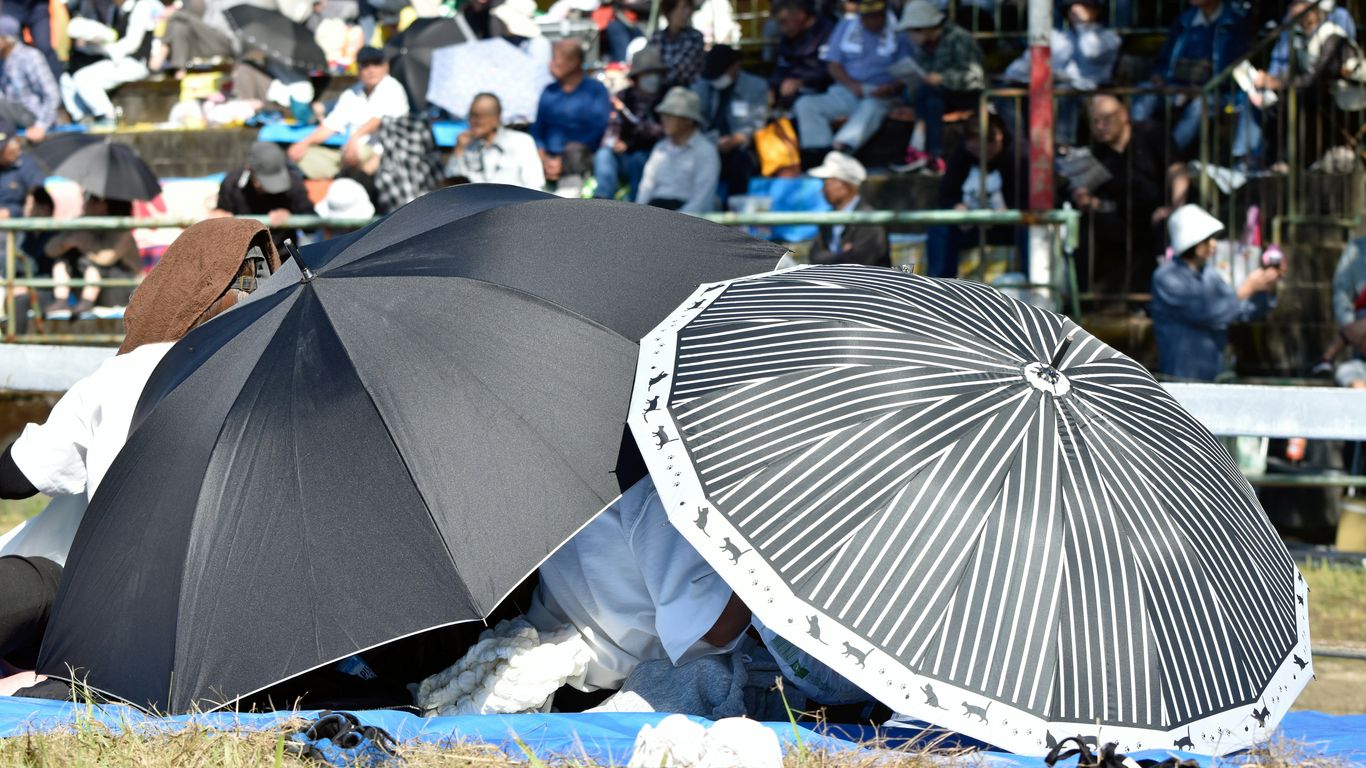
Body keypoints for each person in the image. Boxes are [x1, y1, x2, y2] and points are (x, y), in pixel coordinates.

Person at [0, 219, 280, 681]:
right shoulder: (295, 384)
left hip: (99, 622)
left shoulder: (132, 372)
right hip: (234, 638)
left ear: (171, 287)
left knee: (30, 583)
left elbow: (15, 478)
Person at [526, 475, 752, 695]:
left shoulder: (547, 465)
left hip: (546, 654)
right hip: (636, 688)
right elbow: (717, 627)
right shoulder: (663, 483)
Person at [1150, 204, 1281, 381]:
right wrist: (1246, 289)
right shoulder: (1166, 278)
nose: (1214, 244)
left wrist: (1264, 289)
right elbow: (1208, 312)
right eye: (1208, 239)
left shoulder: (1209, 274)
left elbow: (1240, 312)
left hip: (1212, 373)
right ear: (1193, 242)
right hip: (1181, 374)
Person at [1069, 95, 1176, 298]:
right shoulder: (1095, 152)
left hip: (1156, 215)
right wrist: (1084, 197)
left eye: (1106, 118)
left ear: (1124, 115)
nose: (1100, 126)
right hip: (1119, 219)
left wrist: (1174, 206)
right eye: (1094, 121)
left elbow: (1177, 171)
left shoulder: (1151, 134)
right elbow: (1089, 191)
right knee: (1083, 231)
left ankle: (1154, 300)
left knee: (1166, 228)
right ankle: (1083, 300)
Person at [793, 0, 911, 159]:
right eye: (868, 16)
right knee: (806, 104)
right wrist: (852, 85)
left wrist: (891, 88)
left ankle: (839, 152)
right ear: (861, 16)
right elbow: (833, 65)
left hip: (882, 95)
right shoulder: (846, 26)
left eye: (877, 16)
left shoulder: (899, 32)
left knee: (871, 106)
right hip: (846, 91)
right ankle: (818, 155)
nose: (873, 21)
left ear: (884, 14)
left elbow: (909, 72)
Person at [1130, 0, 1249, 153]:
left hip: (1213, 92)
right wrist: (1158, 76)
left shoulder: (1234, 23)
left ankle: (1169, 157)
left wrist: (1202, 89)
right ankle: (1134, 150)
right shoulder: (1184, 20)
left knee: (1199, 106)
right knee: (1145, 92)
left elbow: (1234, 69)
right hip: (1174, 87)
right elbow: (1163, 59)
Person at [1000, 0, 1119, 146]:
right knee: (1004, 94)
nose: (1077, 11)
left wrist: (1082, 25)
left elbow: (1090, 51)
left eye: (1085, 5)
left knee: (1064, 90)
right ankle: (1022, 145)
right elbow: (1015, 70)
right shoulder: (1056, 37)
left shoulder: (1109, 38)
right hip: (1052, 92)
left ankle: (1064, 146)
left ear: (1097, 10)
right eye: (1073, 7)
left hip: (1090, 95)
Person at [926, 110, 1024, 278]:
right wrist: (957, 207)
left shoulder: (1019, 155)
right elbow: (947, 194)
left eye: (985, 147)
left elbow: (1029, 200)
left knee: (1029, 230)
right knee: (939, 229)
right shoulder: (962, 154)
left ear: (998, 138)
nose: (981, 154)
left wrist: (1010, 213)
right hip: (971, 225)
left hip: (1009, 227)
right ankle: (940, 287)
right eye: (974, 148)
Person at [288, 46, 410, 180]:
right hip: (351, 153)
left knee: (357, 155)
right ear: (358, 69)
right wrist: (304, 143)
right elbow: (331, 125)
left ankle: (348, 181)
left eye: (376, 63)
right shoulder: (352, 93)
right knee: (301, 156)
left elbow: (377, 120)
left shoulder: (392, 87)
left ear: (386, 66)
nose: (371, 69)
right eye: (366, 65)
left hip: (389, 155)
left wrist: (355, 138)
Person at [896, 0, 984, 160]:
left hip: (967, 95)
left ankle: (923, 150)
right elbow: (923, 70)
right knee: (926, 97)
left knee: (929, 96)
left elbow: (974, 77)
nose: (910, 36)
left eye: (912, 31)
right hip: (935, 95)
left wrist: (942, 79)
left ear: (925, 29)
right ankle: (930, 153)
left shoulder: (959, 38)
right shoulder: (926, 45)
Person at [61, 0, 164, 126]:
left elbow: (132, 43)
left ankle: (108, 117)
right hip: (114, 60)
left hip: (135, 63)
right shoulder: (114, 9)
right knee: (67, 80)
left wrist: (106, 49)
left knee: (83, 78)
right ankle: (82, 119)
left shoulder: (141, 5)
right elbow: (109, 36)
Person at [529, 40, 611, 196]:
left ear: (574, 62)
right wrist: (543, 156)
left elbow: (598, 130)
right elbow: (538, 127)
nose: (551, 64)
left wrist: (562, 160)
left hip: (578, 159)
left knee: (575, 152)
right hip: (546, 158)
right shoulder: (549, 91)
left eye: (555, 59)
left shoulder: (595, 90)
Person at [211, 142, 316, 256]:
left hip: (282, 255)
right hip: (243, 254)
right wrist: (219, 220)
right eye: (263, 181)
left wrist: (290, 217)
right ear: (249, 169)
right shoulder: (232, 183)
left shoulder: (293, 182)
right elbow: (222, 211)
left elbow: (313, 223)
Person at [44, 195, 142, 316]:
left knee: (93, 265)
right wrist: (66, 243)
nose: (84, 205)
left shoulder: (121, 229)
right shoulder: (82, 222)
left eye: (88, 200)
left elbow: (105, 258)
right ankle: (61, 301)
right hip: (90, 284)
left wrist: (84, 242)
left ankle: (86, 303)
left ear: (102, 205)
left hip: (120, 287)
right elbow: (49, 250)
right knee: (63, 260)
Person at [692, 45, 768, 199]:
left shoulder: (756, 86)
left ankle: (734, 212)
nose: (716, 78)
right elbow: (695, 117)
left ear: (735, 67)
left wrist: (737, 139)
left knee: (741, 161)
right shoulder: (703, 84)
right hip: (706, 143)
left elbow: (757, 124)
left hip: (741, 147)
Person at [594, 46, 666, 201]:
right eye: (647, 73)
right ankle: (602, 200)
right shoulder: (623, 96)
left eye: (655, 73)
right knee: (603, 154)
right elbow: (612, 128)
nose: (652, 78)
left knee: (638, 159)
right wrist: (615, 143)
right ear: (637, 76)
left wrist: (630, 143)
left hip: (651, 158)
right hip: (623, 158)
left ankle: (636, 205)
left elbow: (661, 132)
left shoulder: (665, 99)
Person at [636, 86, 720, 213]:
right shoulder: (660, 148)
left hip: (685, 217)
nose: (663, 120)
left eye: (670, 116)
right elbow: (646, 188)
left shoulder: (706, 151)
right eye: (663, 116)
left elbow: (702, 199)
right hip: (655, 212)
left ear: (688, 120)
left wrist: (677, 223)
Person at [445, 93, 545, 190]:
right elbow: (451, 185)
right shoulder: (467, 145)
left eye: (479, 116)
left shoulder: (521, 142)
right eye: (471, 115)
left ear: (496, 117)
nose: (473, 121)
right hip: (476, 204)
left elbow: (535, 184)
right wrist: (458, 151)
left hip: (514, 204)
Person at [807, 151, 888, 267]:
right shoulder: (828, 219)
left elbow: (857, 262)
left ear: (843, 183)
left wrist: (829, 257)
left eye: (827, 182)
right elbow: (814, 256)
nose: (823, 189)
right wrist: (841, 255)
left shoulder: (869, 219)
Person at [0, 16, 60, 142]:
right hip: (12, 118)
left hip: (33, 117)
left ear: (7, 39)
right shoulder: (3, 61)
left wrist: (41, 126)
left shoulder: (30, 57)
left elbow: (52, 95)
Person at [769, 0, 835, 111]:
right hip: (789, 96)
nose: (782, 28)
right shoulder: (788, 36)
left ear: (800, 15)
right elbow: (782, 65)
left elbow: (829, 69)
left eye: (784, 22)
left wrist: (802, 81)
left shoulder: (828, 31)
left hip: (821, 95)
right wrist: (772, 87)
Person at [648, 0, 706, 92]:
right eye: (683, 8)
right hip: (658, 91)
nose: (688, 12)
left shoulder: (695, 37)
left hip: (685, 92)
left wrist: (654, 78)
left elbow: (678, 70)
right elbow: (648, 65)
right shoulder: (657, 37)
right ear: (670, 11)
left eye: (689, 8)